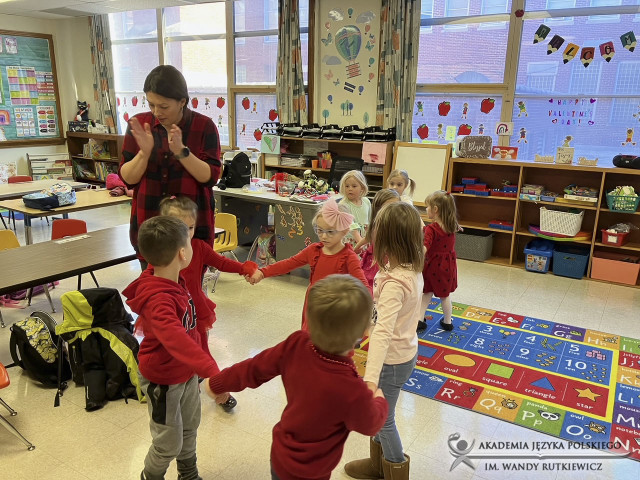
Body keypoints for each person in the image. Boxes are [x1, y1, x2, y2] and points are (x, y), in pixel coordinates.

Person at [204, 274, 389, 480]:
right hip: (313, 472)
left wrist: (217, 383)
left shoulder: (297, 343)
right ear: (364, 331)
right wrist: (379, 400)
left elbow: (253, 368)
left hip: (280, 456)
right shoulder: (352, 388)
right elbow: (370, 424)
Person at [122, 216, 220, 480]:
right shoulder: (159, 298)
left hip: (186, 373)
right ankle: (150, 476)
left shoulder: (171, 278)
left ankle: (188, 474)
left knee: (189, 427)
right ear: (182, 253)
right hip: (163, 380)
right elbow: (175, 337)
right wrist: (210, 369)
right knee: (167, 443)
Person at [344, 202, 424, 480]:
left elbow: (383, 333)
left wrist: (370, 379)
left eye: (376, 228)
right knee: (383, 414)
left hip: (392, 360)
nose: (371, 231)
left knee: (384, 420)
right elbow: (381, 319)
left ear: (388, 238)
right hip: (404, 352)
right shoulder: (409, 267)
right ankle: (378, 465)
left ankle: (395, 468)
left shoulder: (395, 283)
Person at [159, 196, 258, 412]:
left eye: (190, 227)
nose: (186, 233)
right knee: (176, 353)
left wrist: (243, 268)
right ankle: (184, 386)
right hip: (171, 313)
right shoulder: (161, 253)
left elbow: (221, 262)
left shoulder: (198, 247)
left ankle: (218, 389)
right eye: (179, 227)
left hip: (195, 312)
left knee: (201, 351)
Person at [119, 65, 222, 270]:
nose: (157, 112)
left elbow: (211, 177)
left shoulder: (204, 126)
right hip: (150, 227)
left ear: (182, 101)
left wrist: (182, 152)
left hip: (191, 231)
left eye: (164, 106)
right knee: (153, 287)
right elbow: (127, 178)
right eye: (151, 104)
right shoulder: (139, 125)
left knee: (190, 287)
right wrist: (144, 153)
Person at [248, 198, 370, 331]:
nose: (324, 236)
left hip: (335, 309)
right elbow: (288, 264)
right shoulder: (314, 250)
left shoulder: (349, 257)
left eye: (330, 232)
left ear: (344, 231)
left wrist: (364, 311)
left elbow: (363, 287)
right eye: (320, 230)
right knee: (309, 338)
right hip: (313, 304)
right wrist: (263, 272)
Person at [419, 190, 460, 333]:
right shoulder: (452, 225)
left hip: (432, 266)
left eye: (427, 207)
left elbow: (426, 245)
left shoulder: (432, 229)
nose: (426, 209)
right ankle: (448, 322)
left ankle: (419, 320)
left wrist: (418, 257)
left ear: (435, 209)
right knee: (445, 295)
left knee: (427, 293)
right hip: (447, 267)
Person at [354, 189, 400, 288]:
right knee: (372, 282)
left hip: (391, 259)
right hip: (377, 259)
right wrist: (355, 249)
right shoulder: (377, 225)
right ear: (378, 209)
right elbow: (368, 237)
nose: (393, 211)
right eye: (388, 207)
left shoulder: (398, 225)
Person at [338, 170, 371, 246]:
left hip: (364, 240)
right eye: (347, 186)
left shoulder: (366, 202)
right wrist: (361, 243)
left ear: (362, 187)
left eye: (354, 186)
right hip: (350, 243)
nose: (350, 189)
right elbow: (352, 228)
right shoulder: (343, 205)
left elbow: (369, 221)